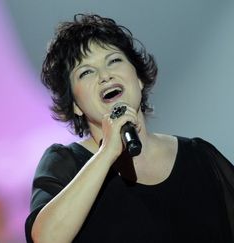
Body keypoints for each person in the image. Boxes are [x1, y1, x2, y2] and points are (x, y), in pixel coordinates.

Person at [25, 14, 234, 243]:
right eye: (86, 72)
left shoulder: (199, 157)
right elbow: (45, 239)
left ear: (139, 78)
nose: (105, 76)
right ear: (75, 105)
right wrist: (107, 154)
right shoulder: (66, 163)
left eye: (114, 60)